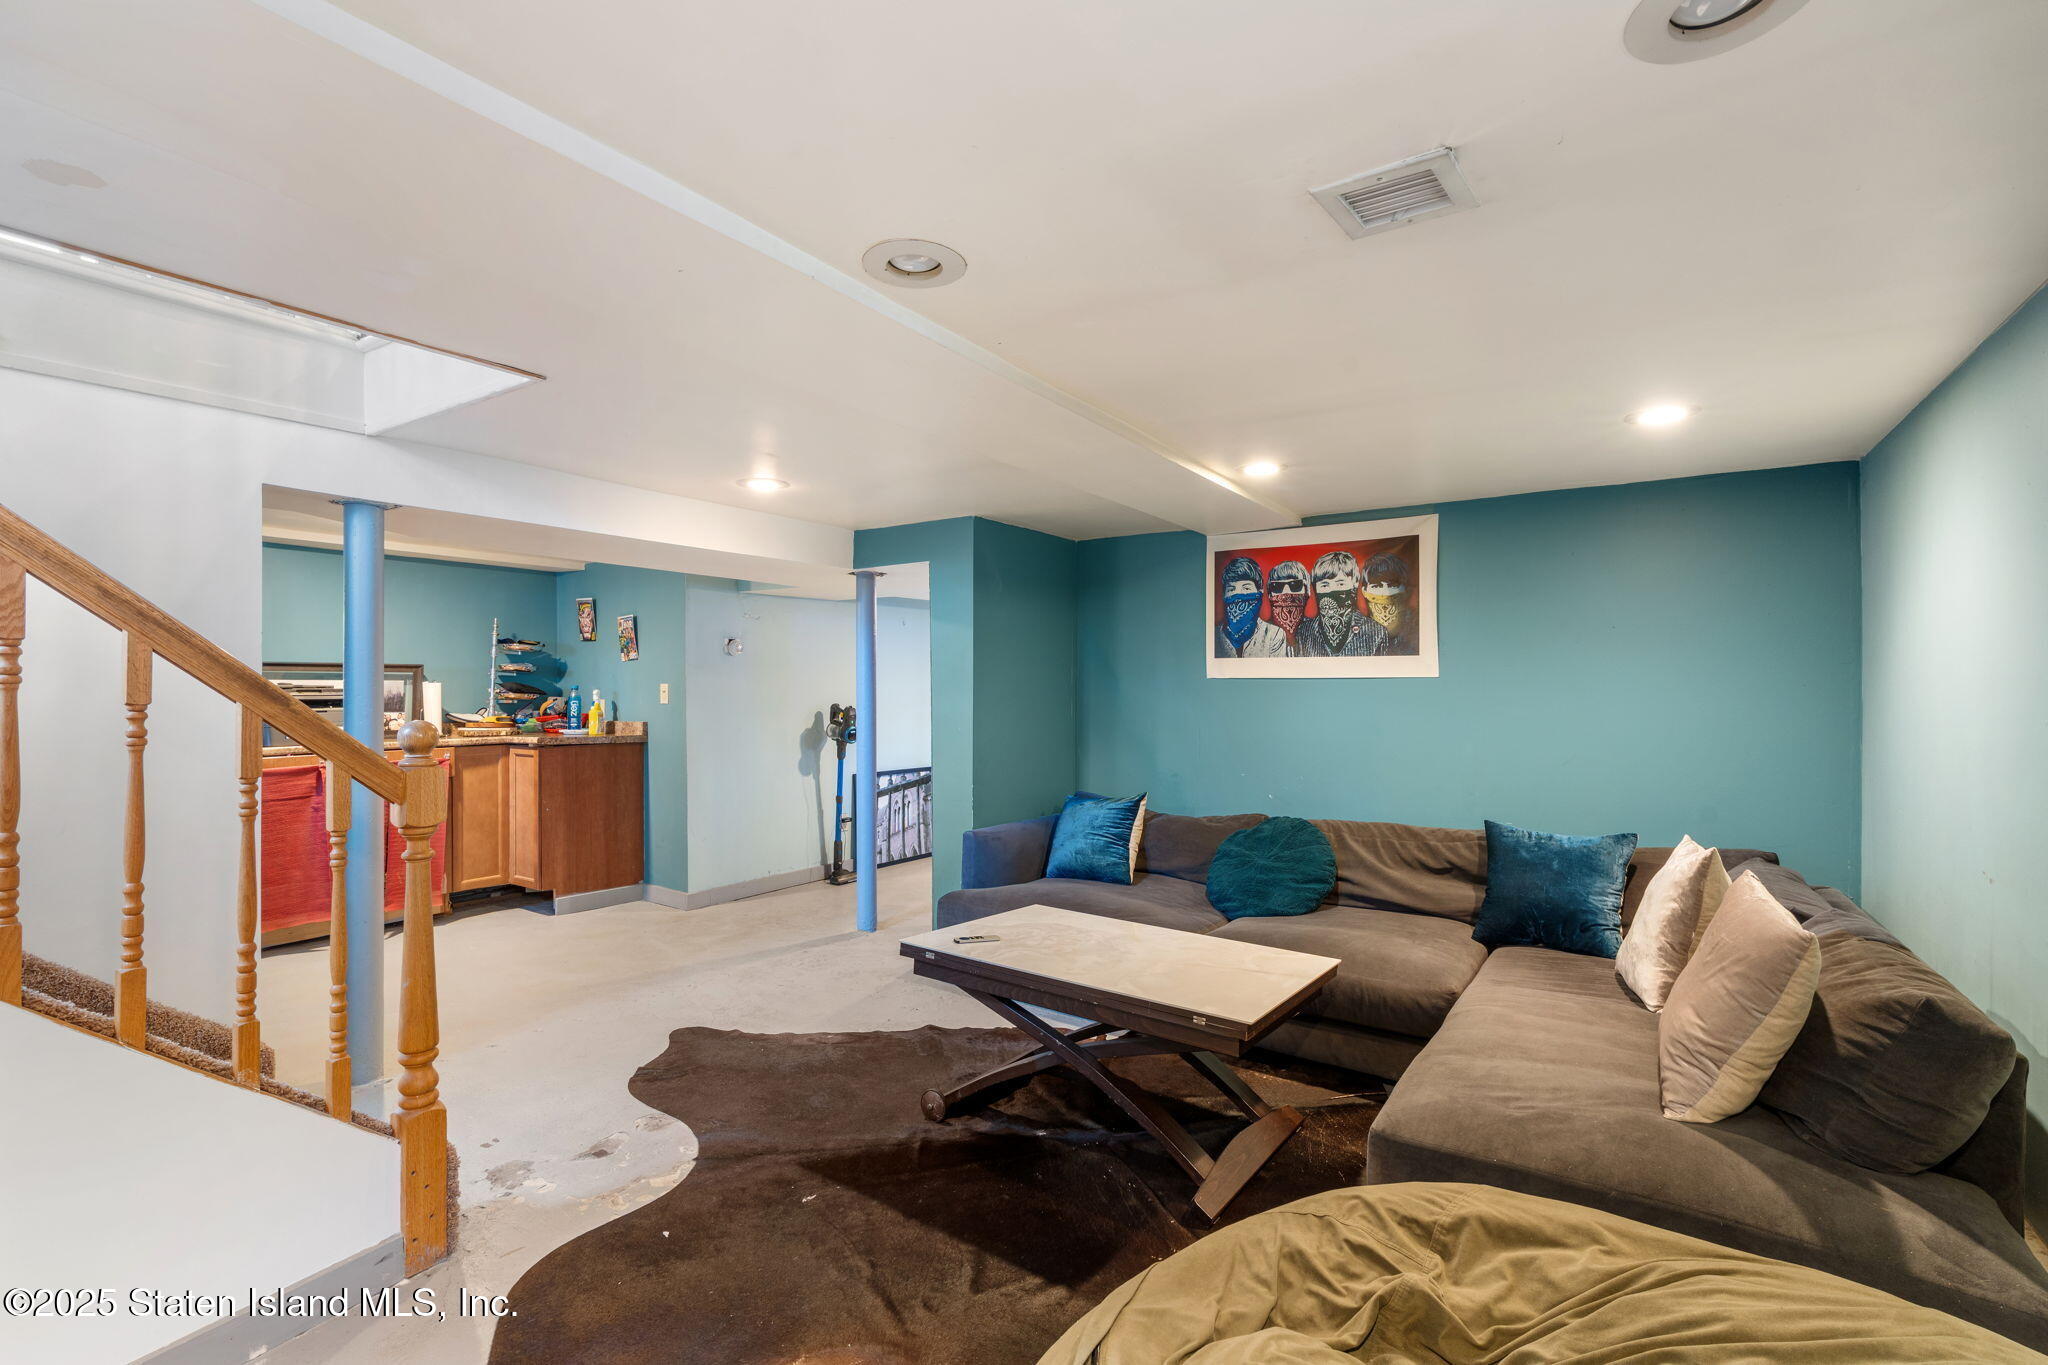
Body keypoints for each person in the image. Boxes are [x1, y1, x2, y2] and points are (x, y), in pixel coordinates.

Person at [1298, 550, 1376, 656]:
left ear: (1355, 584)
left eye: (1340, 584)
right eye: (1324, 585)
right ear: (1315, 588)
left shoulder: (1375, 631)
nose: (1332, 590)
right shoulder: (1304, 631)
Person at [1215, 554, 1289, 658]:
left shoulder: (1274, 634)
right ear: (1224, 594)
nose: (1238, 594)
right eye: (1231, 589)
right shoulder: (1214, 635)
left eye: (1246, 588)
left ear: (1259, 592)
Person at [1360, 550, 1418, 655]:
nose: (1385, 592)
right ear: (1364, 592)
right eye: (1376, 586)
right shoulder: (1357, 631)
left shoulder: (1418, 625)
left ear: (1406, 590)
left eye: (1392, 585)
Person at [1264, 560, 1309, 654]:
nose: (1286, 592)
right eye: (1277, 586)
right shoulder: (1262, 632)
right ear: (1269, 594)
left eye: (1295, 585)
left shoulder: (1314, 630)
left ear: (1307, 591)